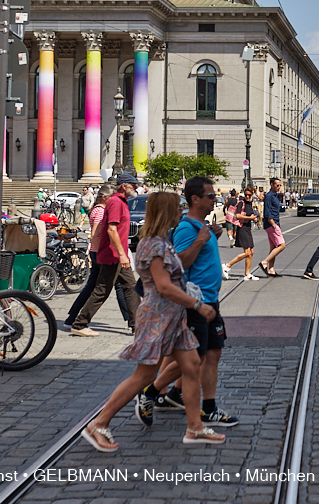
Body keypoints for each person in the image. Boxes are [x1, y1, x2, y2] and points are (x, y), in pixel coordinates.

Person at [80, 192, 225, 452]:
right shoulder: (152, 245)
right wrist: (197, 305)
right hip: (157, 318)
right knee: (144, 375)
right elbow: (163, 286)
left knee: (192, 366)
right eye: (176, 208)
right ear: (164, 212)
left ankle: (195, 428)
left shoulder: (163, 241)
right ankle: (99, 423)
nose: (180, 212)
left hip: (174, 317)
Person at [140, 176, 239, 430]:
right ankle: (152, 391)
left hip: (210, 300)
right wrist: (200, 241)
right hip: (195, 302)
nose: (214, 198)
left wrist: (209, 236)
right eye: (209, 195)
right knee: (194, 358)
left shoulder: (202, 226)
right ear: (196, 199)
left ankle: (203, 406)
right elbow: (180, 264)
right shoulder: (187, 229)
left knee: (212, 354)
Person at [72, 173, 142, 337]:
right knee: (102, 290)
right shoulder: (116, 202)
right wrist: (122, 255)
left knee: (131, 288)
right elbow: (111, 229)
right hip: (113, 255)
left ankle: (137, 326)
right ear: (124, 186)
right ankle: (80, 323)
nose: (137, 187)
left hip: (117, 255)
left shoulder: (121, 202)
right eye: (134, 185)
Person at [66, 185, 132, 328]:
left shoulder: (95, 210)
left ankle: (72, 317)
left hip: (96, 252)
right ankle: (130, 319)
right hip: (101, 252)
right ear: (104, 197)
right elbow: (96, 233)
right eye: (110, 197)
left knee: (94, 287)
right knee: (114, 286)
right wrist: (97, 249)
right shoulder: (101, 211)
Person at [224, 187, 259, 280]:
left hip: (247, 228)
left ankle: (247, 274)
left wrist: (254, 218)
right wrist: (250, 218)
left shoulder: (249, 203)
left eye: (249, 195)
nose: (247, 197)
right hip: (242, 229)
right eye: (246, 195)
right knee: (247, 252)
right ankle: (227, 266)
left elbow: (249, 214)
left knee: (251, 252)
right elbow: (238, 215)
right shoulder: (241, 203)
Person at [259, 178, 285, 277]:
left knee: (274, 247)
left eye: (279, 185)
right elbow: (267, 212)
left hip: (273, 224)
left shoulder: (275, 195)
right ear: (271, 185)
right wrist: (273, 224)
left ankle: (271, 269)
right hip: (272, 224)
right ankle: (264, 263)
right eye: (277, 185)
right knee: (281, 245)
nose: (278, 187)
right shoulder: (269, 196)